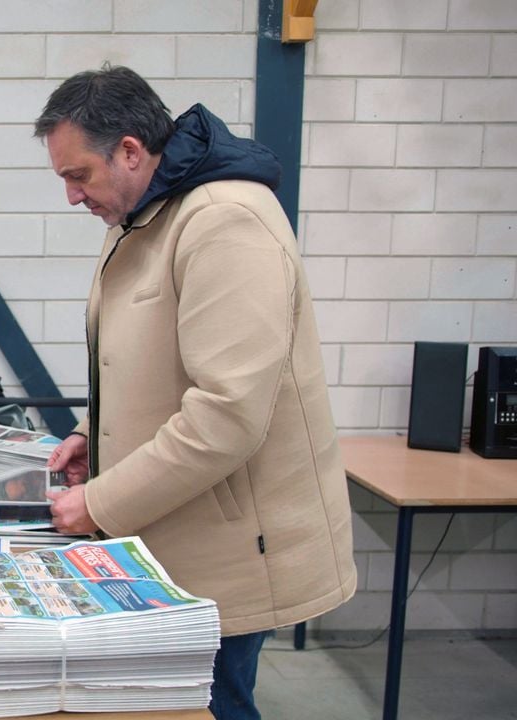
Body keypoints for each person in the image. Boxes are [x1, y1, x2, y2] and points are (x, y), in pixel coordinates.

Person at [34, 65, 356, 720]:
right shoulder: (143, 215)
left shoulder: (223, 222)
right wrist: (91, 435)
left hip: (231, 548)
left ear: (129, 149)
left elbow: (226, 415)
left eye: (78, 176)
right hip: (178, 530)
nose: (71, 197)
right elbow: (140, 359)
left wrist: (99, 501)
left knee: (211, 704)